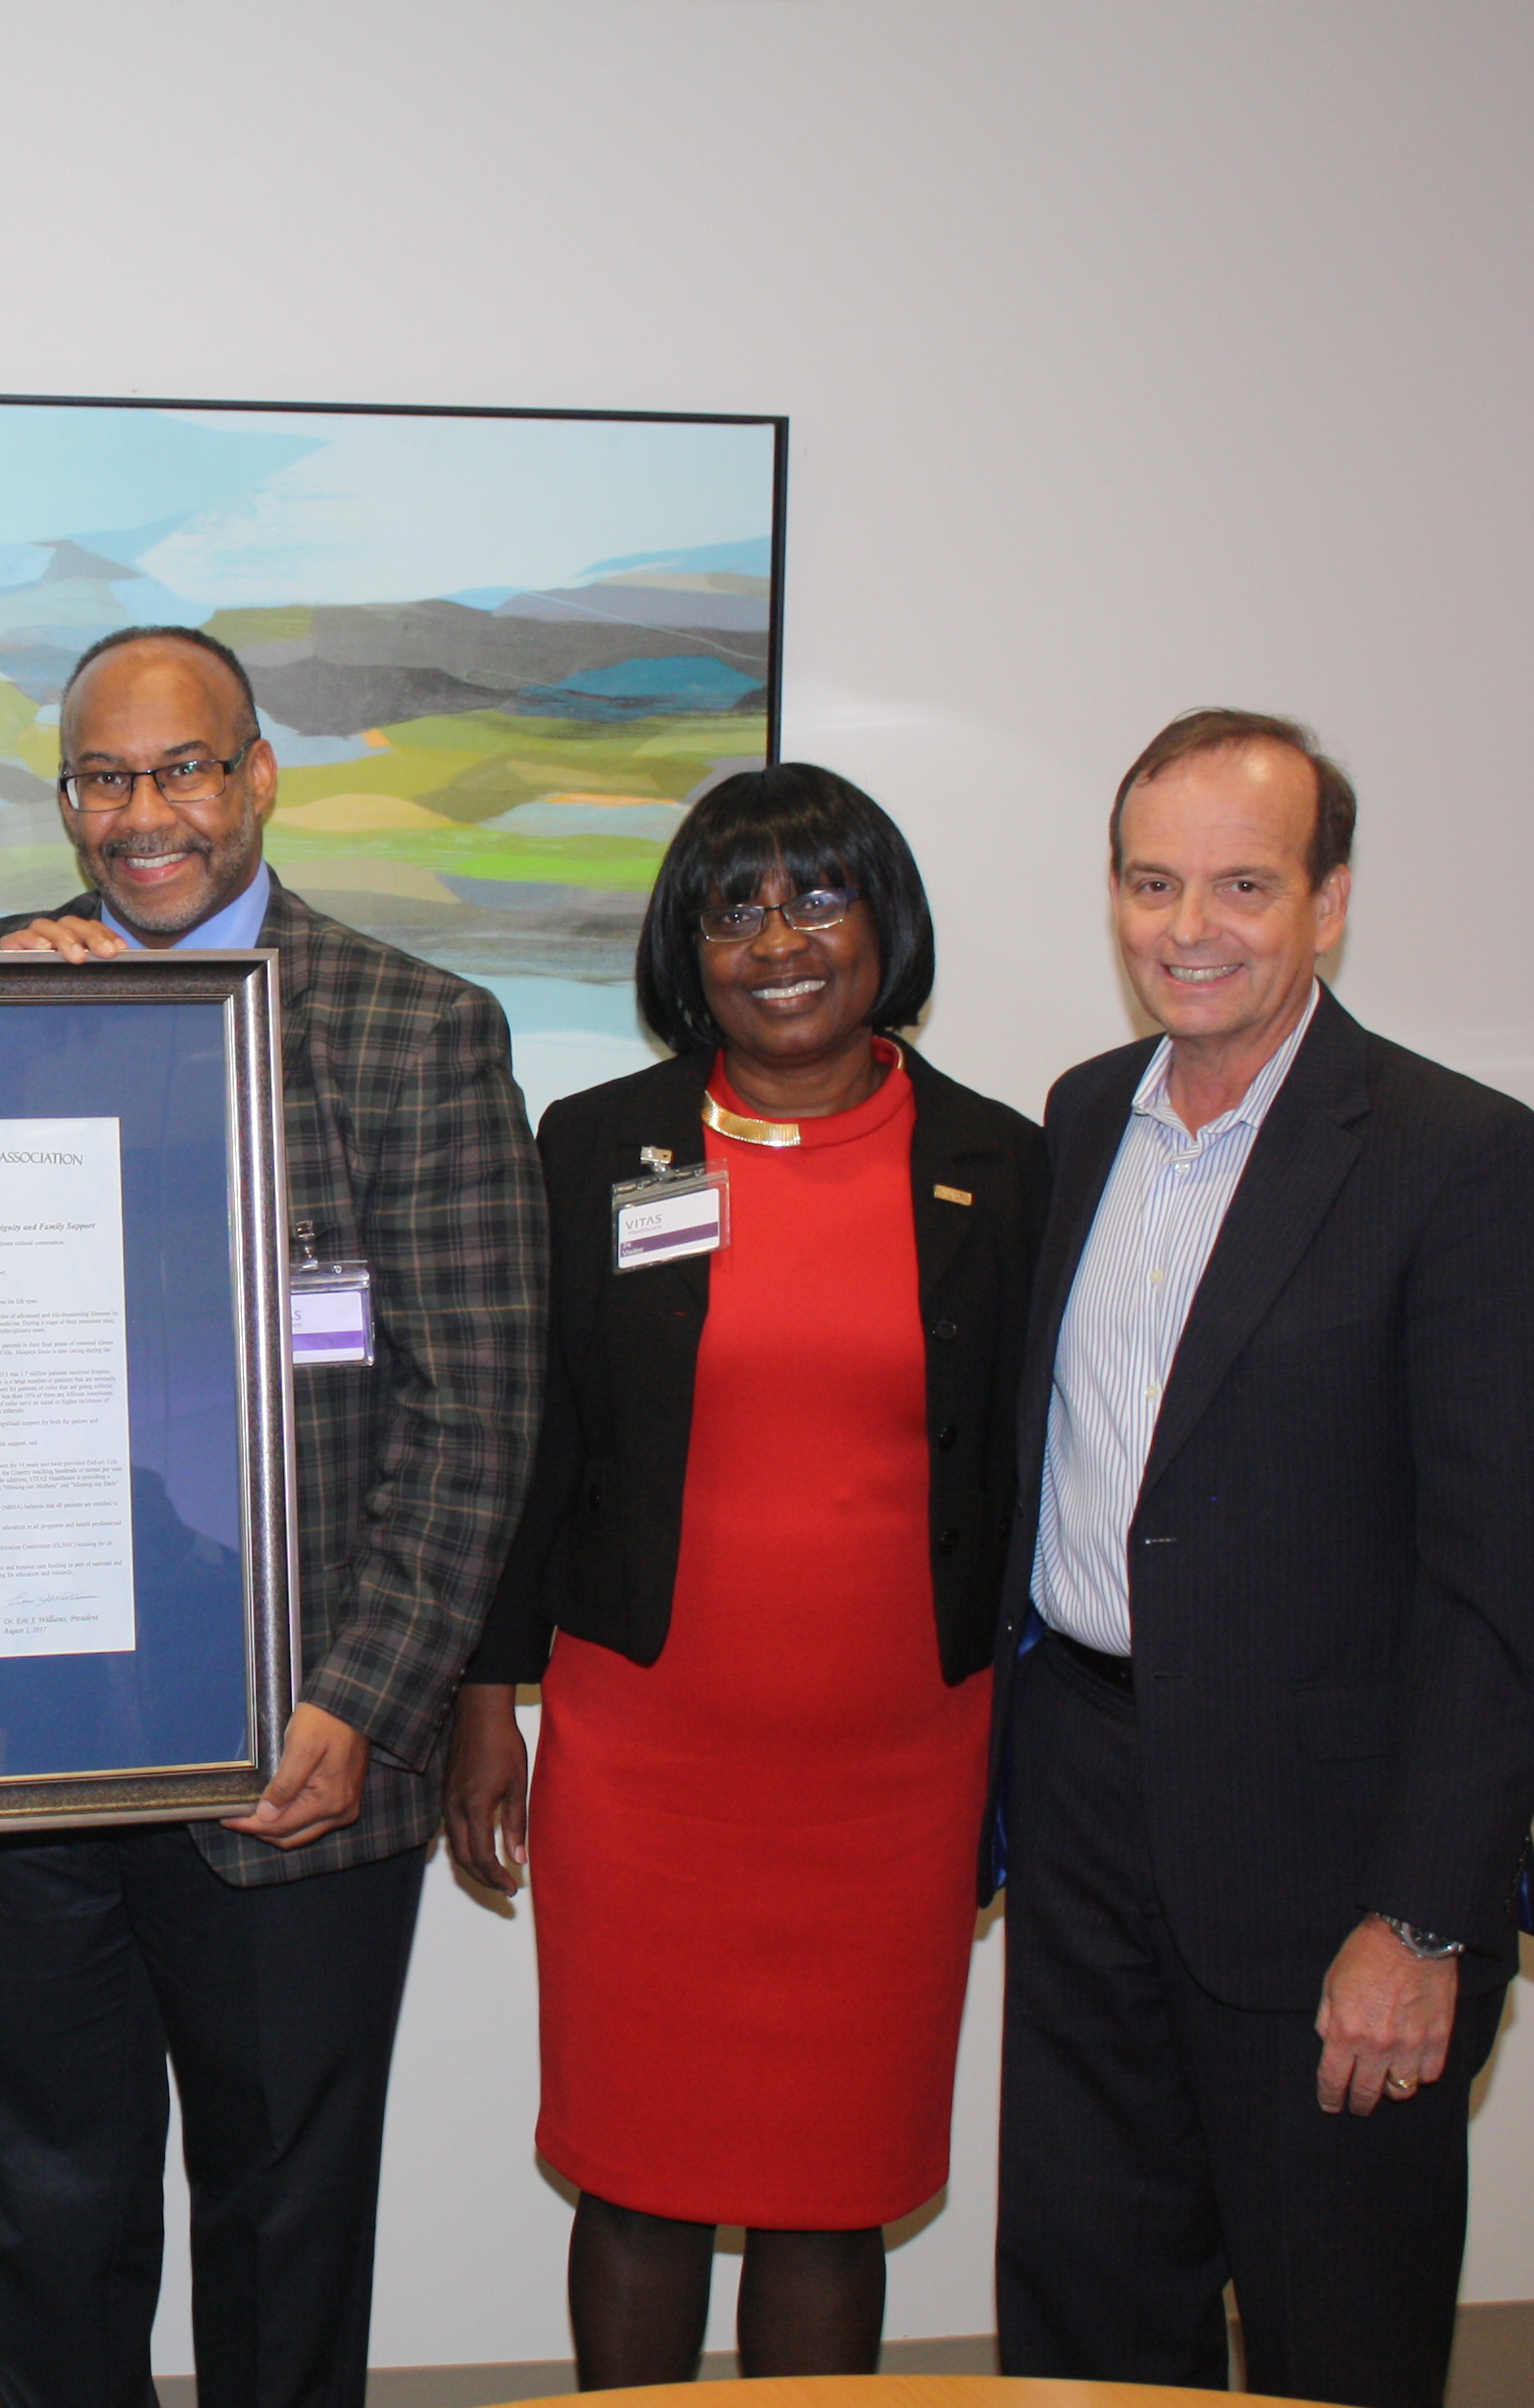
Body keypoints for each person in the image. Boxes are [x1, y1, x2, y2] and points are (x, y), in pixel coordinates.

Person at [0, 625, 546, 2408]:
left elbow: (480, 1408)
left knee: (282, 2233)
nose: (146, 816)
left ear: (260, 774)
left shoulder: (413, 1027)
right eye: (103, 779)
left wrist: (361, 1698)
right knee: (49, 2211)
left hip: (301, 1758)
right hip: (33, 1741)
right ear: (65, 803)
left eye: (184, 768)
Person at [991, 711, 1534, 2408]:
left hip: (1336, 1857)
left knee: (1339, 2329)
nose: (1192, 926)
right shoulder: (1086, 1113)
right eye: (1155, 881)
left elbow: (1508, 1586)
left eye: (1245, 884)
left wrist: (1422, 1913)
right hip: (1089, 1800)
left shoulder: (1458, 1159)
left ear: (1329, 904)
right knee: (1089, 2313)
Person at [443, 764, 1046, 2385]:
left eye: (819, 894)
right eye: (735, 906)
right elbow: (534, 1440)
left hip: (898, 1777)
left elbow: (1025, 1468)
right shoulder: (598, 1149)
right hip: (649, 1769)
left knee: (829, 2197)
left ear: (884, 922)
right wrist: (484, 1703)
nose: (779, 939)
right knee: (639, 2179)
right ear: (688, 945)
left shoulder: (998, 1164)